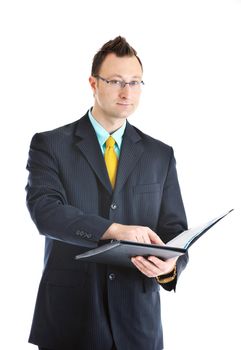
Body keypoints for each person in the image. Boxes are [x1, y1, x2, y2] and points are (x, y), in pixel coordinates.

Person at [26, 36, 188, 350]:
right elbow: (45, 211)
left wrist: (170, 267)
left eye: (135, 82)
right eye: (115, 81)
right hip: (71, 321)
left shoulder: (160, 154)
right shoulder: (50, 145)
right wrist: (114, 231)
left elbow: (174, 230)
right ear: (93, 83)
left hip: (139, 326)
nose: (127, 92)